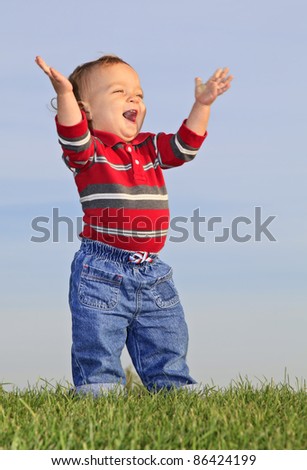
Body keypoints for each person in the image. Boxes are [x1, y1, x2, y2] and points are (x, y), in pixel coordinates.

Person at [35, 54, 232, 395]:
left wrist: (202, 105)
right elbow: (73, 134)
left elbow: (186, 147)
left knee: (167, 336)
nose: (134, 99)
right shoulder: (90, 154)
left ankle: (175, 392)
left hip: (152, 272)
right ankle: (98, 393)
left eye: (138, 93)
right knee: (97, 340)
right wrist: (65, 96)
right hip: (101, 271)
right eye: (119, 92)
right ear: (88, 111)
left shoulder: (150, 147)